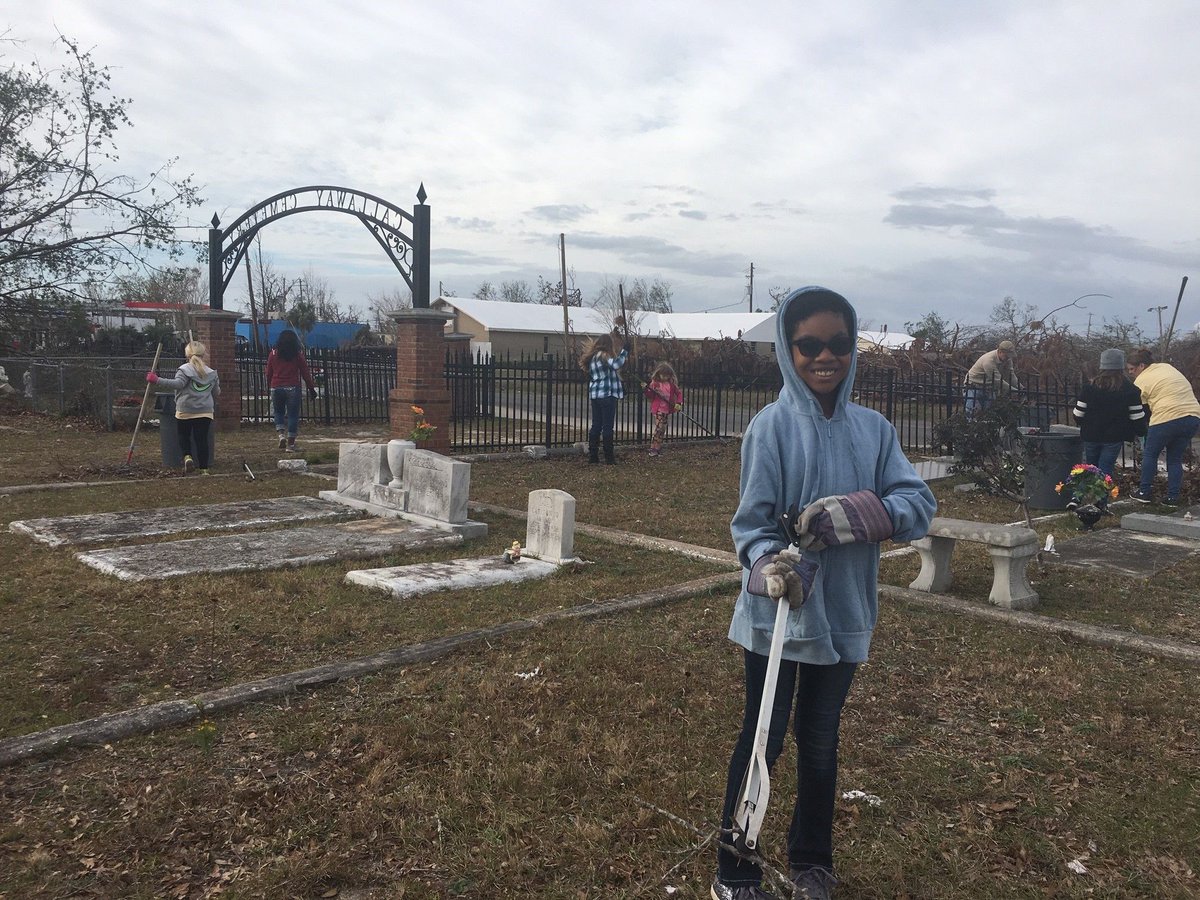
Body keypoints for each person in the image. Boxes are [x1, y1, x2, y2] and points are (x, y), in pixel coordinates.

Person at [713, 287, 936, 900]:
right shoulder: (770, 428)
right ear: (789, 349)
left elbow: (918, 503)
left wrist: (859, 514)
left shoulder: (875, 430)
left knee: (820, 741)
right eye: (810, 345)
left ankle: (812, 862)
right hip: (777, 620)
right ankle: (734, 868)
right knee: (764, 738)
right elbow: (751, 526)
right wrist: (770, 567)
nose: (825, 357)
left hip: (844, 617)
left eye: (838, 344)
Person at [1126, 347, 1200, 505]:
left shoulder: (1140, 381)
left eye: (1132, 369)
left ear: (1142, 366)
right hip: (1192, 416)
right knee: (1174, 458)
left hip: (1166, 417)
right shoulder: (1167, 367)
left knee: (1150, 454)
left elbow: (1143, 411)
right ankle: (1173, 497)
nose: (1130, 373)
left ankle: (1144, 492)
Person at [1070, 348, 1146, 481]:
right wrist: (1140, 432)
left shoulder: (1089, 388)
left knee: (1088, 468)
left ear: (1102, 366)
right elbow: (1137, 417)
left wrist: (1086, 424)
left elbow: (1078, 414)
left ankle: (1082, 497)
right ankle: (1100, 500)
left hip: (1090, 434)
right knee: (1105, 469)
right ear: (1121, 367)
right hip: (1114, 437)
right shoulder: (1131, 390)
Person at [147, 340, 220, 475]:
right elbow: (216, 392)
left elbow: (178, 384)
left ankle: (187, 457)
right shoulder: (211, 373)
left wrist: (157, 380)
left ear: (187, 355)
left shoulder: (184, 370)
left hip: (185, 409)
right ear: (203, 354)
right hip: (205, 411)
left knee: (183, 435)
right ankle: (204, 469)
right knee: (202, 439)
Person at [580, 330, 629, 465]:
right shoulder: (604, 355)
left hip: (595, 394)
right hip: (607, 395)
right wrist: (624, 352)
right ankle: (609, 457)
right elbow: (616, 365)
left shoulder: (593, 358)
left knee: (596, 424)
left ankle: (593, 456)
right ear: (608, 345)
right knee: (607, 426)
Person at [265, 329, 318, 452]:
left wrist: (270, 385)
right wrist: (311, 388)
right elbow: (305, 373)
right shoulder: (297, 355)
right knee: (293, 415)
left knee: (278, 412)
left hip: (276, 386)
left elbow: (268, 372)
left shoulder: (273, 354)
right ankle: (291, 445)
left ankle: (281, 435)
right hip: (293, 387)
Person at [963, 339, 1019, 416]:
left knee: (988, 415)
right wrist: (1014, 390)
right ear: (1000, 352)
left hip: (989, 388)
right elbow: (997, 380)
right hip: (973, 386)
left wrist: (1021, 388)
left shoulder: (1007, 360)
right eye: (1007, 355)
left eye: (1010, 356)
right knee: (973, 413)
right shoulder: (988, 360)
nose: (1008, 358)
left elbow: (1010, 375)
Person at [644, 361, 683, 458]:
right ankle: (653, 448)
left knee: (662, 429)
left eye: (667, 375)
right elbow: (650, 395)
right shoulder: (655, 383)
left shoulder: (671, 384)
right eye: (663, 375)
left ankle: (658, 448)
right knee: (659, 427)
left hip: (667, 409)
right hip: (658, 409)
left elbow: (679, 393)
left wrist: (678, 403)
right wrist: (646, 389)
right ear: (659, 373)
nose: (665, 377)